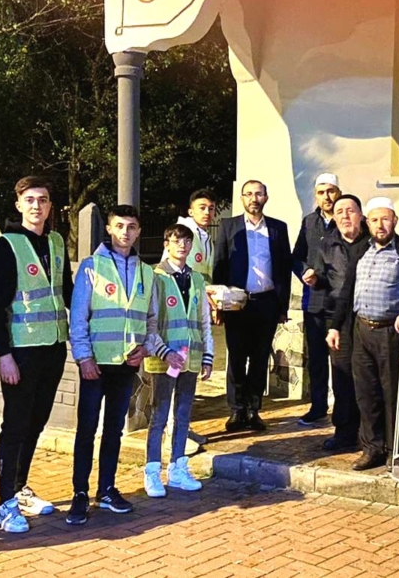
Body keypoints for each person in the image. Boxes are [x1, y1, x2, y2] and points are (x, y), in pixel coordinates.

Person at [0, 176, 74, 533]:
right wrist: (4, 354)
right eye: (31, 199)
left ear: (50, 206)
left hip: (53, 348)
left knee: (36, 422)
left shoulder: (55, 242)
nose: (37, 205)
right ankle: (4, 503)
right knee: (16, 425)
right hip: (21, 352)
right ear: (19, 204)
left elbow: (67, 291)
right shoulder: (7, 246)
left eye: (44, 199)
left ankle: (19, 488)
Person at [67, 204, 161, 525]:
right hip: (95, 364)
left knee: (113, 430)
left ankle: (106, 488)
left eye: (131, 227)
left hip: (126, 364)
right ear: (108, 229)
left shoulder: (147, 272)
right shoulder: (92, 266)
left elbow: (151, 319)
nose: (125, 232)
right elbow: (79, 318)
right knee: (87, 429)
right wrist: (84, 357)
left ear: (138, 231)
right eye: (119, 226)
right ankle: (80, 493)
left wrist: (145, 347)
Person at [328, 197, 399, 471]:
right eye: (374, 220)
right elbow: (347, 291)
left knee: (393, 393)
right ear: (367, 223)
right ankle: (372, 448)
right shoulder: (361, 249)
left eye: (385, 219)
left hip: (392, 333)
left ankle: (395, 450)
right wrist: (335, 326)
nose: (380, 225)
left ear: (395, 220)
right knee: (366, 394)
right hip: (361, 331)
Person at [213, 180, 292, 433]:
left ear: (266, 197)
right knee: (236, 358)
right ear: (242, 198)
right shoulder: (228, 226)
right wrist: (218, 304)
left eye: (258, 194)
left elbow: (284, 269)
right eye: (248, 194)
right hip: (236, 303)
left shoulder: (278, 228)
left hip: (266, 302)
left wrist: (282, 306)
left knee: (259, 359)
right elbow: (219, 264)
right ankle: (236, 410)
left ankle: (253, 410)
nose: (253, 198)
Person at [144, 224, 215, 497]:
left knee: (183, 414)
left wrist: (207, 355)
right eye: (176, 241)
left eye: (187, 241)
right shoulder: (156, 276)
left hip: (190, 358)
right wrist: (163, 351)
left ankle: (178, 467)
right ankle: (152, 470)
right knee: (159, 415)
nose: (182, 246)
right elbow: (149, 322)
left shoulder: (196, 279)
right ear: (166, 244)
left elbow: (204, 321)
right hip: (165, 359)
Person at [314, 194, 368, 453]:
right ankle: (345, 432)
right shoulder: (327, 244)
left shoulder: (374, 242)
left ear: (361, 215)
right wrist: (315, 279)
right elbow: (324, 279)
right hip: (338, 320)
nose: (345, 216)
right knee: (342, 378)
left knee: (368, 378)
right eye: (340, 212)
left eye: (350, 210)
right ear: (334, 218)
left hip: (369, 318)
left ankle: (372, 434)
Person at [294, 173, 341, 426]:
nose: (327, 197)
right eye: (321, 192)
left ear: (339, 193)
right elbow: (297, 256)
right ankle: (318, 406)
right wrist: (305, 272)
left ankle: (343, 410)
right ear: (316, 196)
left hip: (338, 303)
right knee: (317, 359)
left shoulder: (347, 220)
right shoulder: (309, 222)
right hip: (313, 301)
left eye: (331, 191)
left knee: (340, 361)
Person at [166, 188, 217, 281]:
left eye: (211, 209)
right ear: (191, 212)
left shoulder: (207, 238)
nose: (207, 212)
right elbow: (167, 267)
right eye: (202, 208)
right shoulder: (179, 233)